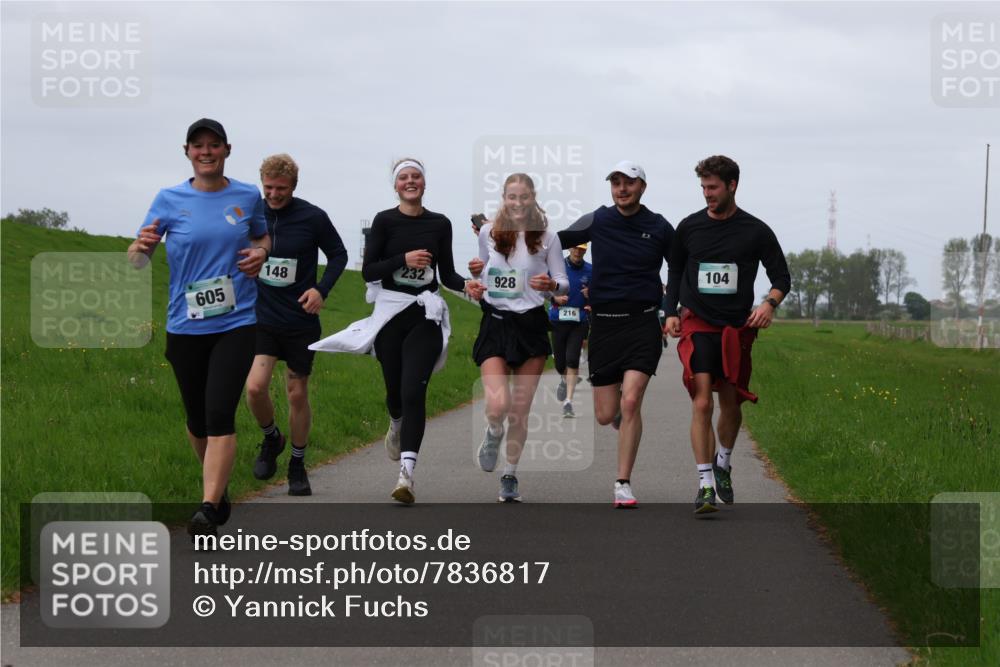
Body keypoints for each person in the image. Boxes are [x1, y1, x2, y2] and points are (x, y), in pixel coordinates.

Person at [128, 118, 270, 538]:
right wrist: (139, 249)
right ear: (187, 152)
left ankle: (208, 506)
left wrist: (261, 254)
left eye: (213, 145)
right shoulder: (168, 199)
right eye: (198, 146)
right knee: (195, 419)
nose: (205, 152)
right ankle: (219, 490)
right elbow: (139, 257)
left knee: (218, 411)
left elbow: (264, 239)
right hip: (185, 324)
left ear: (227, 150)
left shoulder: (247, 196)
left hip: (237, 321)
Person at [310, 158, 473, 504]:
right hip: (389, 316)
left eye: (416, 177)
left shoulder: (440, 223)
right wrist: (404, 259)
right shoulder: (385, 221)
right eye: (404, 177)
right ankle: (395, 423)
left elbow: (447, 274)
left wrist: (470, 286)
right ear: (395, 185)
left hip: (425, 315)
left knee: (414, 391)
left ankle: (406, 476)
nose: (411, 181)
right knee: (396, 393)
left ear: (424, 184)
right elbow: (369, 271)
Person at [663, 155, 790, 515]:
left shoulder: (756, 231)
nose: (707, 194)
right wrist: (670, 311)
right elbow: (674, 271)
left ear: (732, 185)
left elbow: (782, 277)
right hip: (698, 323)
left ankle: (724, 461)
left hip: (736, 328)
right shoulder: (689, 228)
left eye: (713, 187)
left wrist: (768, 304)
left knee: (730, 402)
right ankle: (705, 484)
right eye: (703, 187)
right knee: (702, 400)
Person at [558, 161, 673, 508]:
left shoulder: (658, 226)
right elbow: (558, 240)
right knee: (607, 414)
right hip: (605, 325)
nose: (622, 189)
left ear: (642, 187)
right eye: (616, 183)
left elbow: (679, 266)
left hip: (642, 323)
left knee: (632, 399)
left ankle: (623, 483)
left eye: (629, 183)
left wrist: (672, 309)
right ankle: (624, 421)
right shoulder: (599, 219)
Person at [245, 154, 348, 496]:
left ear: (294, 186)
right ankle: (272, 437)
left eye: (281, 189)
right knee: (255, 388)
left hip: (300, 321)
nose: (274, 195)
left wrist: (321, 290)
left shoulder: (312, 217)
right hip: (262, 317)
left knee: (296, 392)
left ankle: (297, 464)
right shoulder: (251, 213)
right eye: (268, 188)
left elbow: (339, 255)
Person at [466, 174, 569, 502]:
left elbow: (563, 281)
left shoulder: (548, 238)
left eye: (524, 197)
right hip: (496, 323)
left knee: (519, 411)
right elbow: (484, 272)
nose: (518, 203)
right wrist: (475, 275)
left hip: (531, 326)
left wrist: (551, 286)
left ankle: (509, 475)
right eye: (512, 197)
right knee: (497, 406)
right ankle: (493, 432)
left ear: (533, 198)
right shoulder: (488, 231)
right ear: (504, 198)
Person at [549, 243, 592, 418]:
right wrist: (555, 297)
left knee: (572, 360)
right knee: (560, 364)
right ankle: (563, 379)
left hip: (579, 321)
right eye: (575, 248)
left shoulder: (591, 270)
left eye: (582, 249)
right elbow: (543, 289)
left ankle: (568, 402)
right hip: (558, 320)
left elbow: (600, 292)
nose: (578, 252)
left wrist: (592, 295)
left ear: (585, 250)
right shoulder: (556, 267)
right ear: (569, 249)